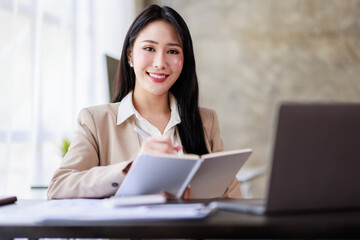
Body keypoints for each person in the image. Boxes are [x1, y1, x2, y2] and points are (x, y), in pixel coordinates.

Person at [47, 4, 242, 199]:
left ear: (185, 59)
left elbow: (234, 200)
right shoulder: (96, 121)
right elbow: (59, 188)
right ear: (130, 54)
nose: (160, 62)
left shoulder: (206, 120)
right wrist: (131, 168)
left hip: (190, 230)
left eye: (172, 51)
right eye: (149, 48)